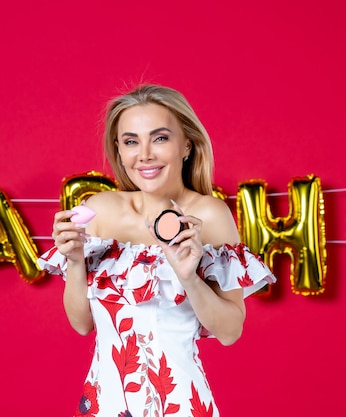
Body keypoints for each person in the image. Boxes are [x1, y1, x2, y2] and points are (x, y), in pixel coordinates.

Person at [38, 84, 276, 417]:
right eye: (131, 141)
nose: (145, 154)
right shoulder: (99, 211)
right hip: (105, 405)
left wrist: (189, 277)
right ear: (119, 151)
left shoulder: (209, 215)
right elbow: (81, 325)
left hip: (183, 406)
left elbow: (230, 331)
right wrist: (75, 263)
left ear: (187, 145)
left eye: (160, 138)